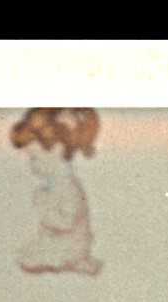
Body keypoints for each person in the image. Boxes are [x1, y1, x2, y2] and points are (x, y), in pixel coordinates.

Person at [10, 107, 102, 276]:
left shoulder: (69, 187)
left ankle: (74, 260)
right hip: (57, 241)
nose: (31, 165)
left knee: (28, 258)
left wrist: (43, 207)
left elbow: (65, 223)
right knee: (24, 253)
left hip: (71, 243)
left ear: (58, 150)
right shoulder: (54, 185)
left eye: (34, 157)